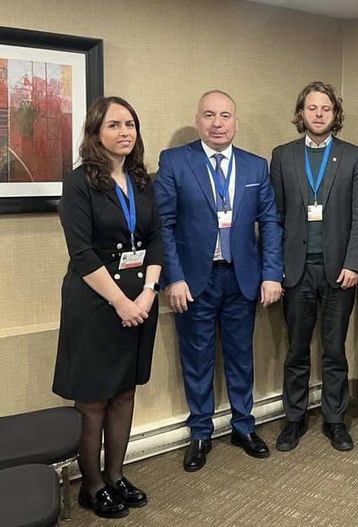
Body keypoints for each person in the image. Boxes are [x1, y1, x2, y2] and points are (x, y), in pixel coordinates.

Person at [154, 90, 283, 471]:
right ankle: (200, 433)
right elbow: (163, 225)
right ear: (198, 120)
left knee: (242, 356)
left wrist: (271, 273)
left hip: (241, 279)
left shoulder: (255, 166)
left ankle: (244, 426)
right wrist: (173, 278)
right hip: (194, 282)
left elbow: (270, 223)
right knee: (197, 359)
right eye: (209, 115)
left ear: (235, 123)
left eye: (225, 116)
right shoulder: (175, 162)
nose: (217, 123)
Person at [53, 96, 162, 518]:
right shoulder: (79, 182)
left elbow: (157, 239)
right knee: (94, 398)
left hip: (140, 300)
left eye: (130, 124)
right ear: (96, 132)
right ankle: (92, 484)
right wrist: (120, 302)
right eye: (114, 125)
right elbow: (81, 253)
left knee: (124, 390)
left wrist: (148, 293)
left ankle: (115, 475)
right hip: (97, 303)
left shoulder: (142, 180)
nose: (124, 132)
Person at [270, 81, 358, 452]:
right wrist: (276, 268)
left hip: (340, 272)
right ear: (301, 113)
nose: (318, 114)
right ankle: (294, 418)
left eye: (325, 108)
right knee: (296, 350)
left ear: (335, 114)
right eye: (312, 108)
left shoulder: (354, 156)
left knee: (334, 350)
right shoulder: (283, 156)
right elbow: (274, 217)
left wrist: (355, 263)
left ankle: (335, 420)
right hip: (296, 272)